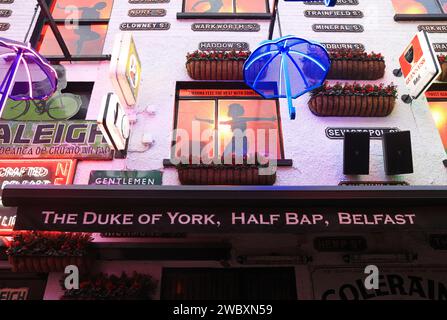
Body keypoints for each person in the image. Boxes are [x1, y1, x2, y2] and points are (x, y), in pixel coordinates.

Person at [195, 103, 277, 157]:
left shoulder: (241, 120)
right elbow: (215, 121)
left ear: (237, 112)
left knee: (241, 157)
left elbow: (257, 118)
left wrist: (270, 119)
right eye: (230, 111)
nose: (230, 112)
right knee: (224, 156)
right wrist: (200, 119)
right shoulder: (231, 121)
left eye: (232, 110)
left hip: (242, 141)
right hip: (234, 140)